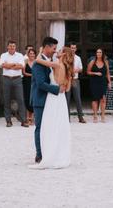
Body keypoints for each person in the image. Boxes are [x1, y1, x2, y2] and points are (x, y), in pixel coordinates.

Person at [28, 37, 68, 167]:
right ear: (46, 47)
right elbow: (40, 84)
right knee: (39, 128)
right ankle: (39, 155)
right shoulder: (38, 64)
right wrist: (57, 89)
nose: (55, 51)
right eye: (53, 48)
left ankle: (48, 152)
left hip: (50, 101)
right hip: (40, 100)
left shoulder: (49, 61)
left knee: (48, 128)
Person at [0, 40, 28, 127]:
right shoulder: (3, 55)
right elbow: (3, 65)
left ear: (15, 47)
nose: (12, 47)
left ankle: (23, 120)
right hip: (6, 79)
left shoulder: (20, 55)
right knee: (7, 100)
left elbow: (21, 66)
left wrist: (9, 65)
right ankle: (8, 121)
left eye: (13, 46)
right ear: (7, 47)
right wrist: (15, 65)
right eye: (10, 46)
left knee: (20, 99)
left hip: (17, 79)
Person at [87, 48, 111, 123]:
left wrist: (109, 82)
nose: (98, 53)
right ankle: (95, 116)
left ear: (102, 53)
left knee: (103, 99)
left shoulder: (106, 62)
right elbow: (88, 72)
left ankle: (103, 116)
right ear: (96, 53)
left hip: (103, 82)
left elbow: (108, 73)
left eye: (100, 52)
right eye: (97, 52)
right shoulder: (92, 62)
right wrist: (95, 73)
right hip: (94, 82)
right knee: (95, 99)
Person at [65, 43, 86, 123]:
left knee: (78, 99)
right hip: (67, 80)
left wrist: (76, 70)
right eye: (71, 48)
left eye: (74, 48)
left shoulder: (78, 58)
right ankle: (67, 118)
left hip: (75, 80)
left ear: (76, 49)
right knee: (67, 99)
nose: (73, 49)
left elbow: (81, 69)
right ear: (69, 48)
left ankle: (81, 118)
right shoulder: (66, 57)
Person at [23, 48, 36, 124]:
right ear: (28, 54)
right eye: (30, 53)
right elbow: (23, 72)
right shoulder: (25, 61)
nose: (32, 55)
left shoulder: (37, 62)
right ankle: (28, 118)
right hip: (27, 81)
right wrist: (32, 75)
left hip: (35, 82)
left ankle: (33, 118)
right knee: (27, 98)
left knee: (34, 98)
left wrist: (34, 76)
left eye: (33, 53)